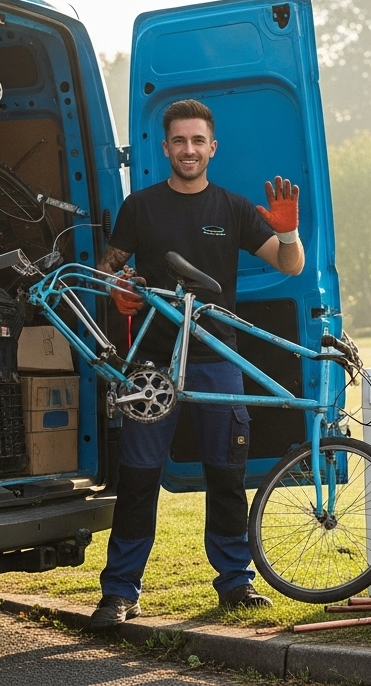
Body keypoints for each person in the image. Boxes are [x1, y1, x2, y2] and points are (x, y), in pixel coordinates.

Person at [88, 98, 304, 628]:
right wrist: (117, 289)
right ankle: (119, 592)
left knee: (227, 475)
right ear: (165, 148)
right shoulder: (140, 207)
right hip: (153, 365)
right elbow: (104, 270)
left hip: (217, 355)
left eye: (197, 140)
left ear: (213, 147)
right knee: (137, 477)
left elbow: (289, 266)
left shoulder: (232, 208)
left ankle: (235, 583)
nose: (189, 149)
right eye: (179, 141)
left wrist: (288, 230)